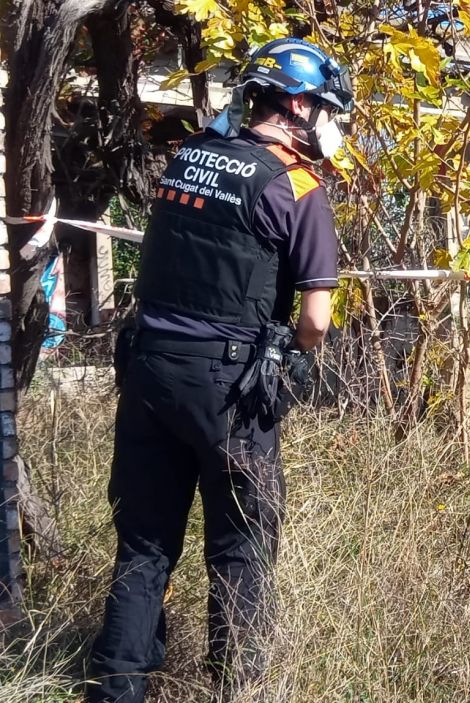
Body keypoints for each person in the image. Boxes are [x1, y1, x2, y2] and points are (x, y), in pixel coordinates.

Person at [86, 37, 353, 703]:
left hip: (147, 372)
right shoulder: (296, 188)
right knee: (239, 550)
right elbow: (316, 321)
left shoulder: (188, 161)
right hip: (228, 391)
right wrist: (290, 354)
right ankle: (235, 689)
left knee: (145, 547)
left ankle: (116, 689)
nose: (332, 127)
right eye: (328, 111)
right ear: (298, 104)